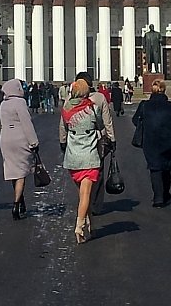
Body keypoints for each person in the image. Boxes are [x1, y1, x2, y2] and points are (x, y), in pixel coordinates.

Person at [59, 78, 104, 243]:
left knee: (84, 195)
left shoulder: (65, 109)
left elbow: (65, 127)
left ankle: (88, 225)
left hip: (73, 157)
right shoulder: (93, 109)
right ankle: (79, 227)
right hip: (89, 156)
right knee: (86, 194)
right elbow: (100, 126)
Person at [132, 79, 171, 207]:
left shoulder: (144, 105)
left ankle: (158, 197)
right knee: (166, 168)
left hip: (150, 142)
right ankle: (166, 194)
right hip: (167, 141)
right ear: (164, 90)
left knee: (155, 168)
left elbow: (135, 120)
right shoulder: (170, 106)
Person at [74, 72, 115, 216]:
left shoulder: (71, 99)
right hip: (97, 140)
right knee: (97, 172)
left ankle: (85, 201)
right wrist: (112, 138)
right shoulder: (99, 97)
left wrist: (63, 140)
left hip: (76, 143)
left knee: (80, 172)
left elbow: (64, 123)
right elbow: (106, 121)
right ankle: (95, 204)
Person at [0, 79, 40, 220]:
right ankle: (16, 204)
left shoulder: (3, 104)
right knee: (21, 172)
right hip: (19, 138)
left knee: (13, 170)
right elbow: (26, 123)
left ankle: (20, 199)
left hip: (5, 138)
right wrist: (34, 142)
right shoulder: (20, 102)